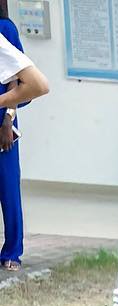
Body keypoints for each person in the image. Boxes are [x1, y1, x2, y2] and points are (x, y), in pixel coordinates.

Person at [0, 2, 48, 271]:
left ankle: (12, 252)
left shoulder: (5, 29)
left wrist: (8, 119)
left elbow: (17, 80)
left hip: (2, 119)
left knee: (7, 187)